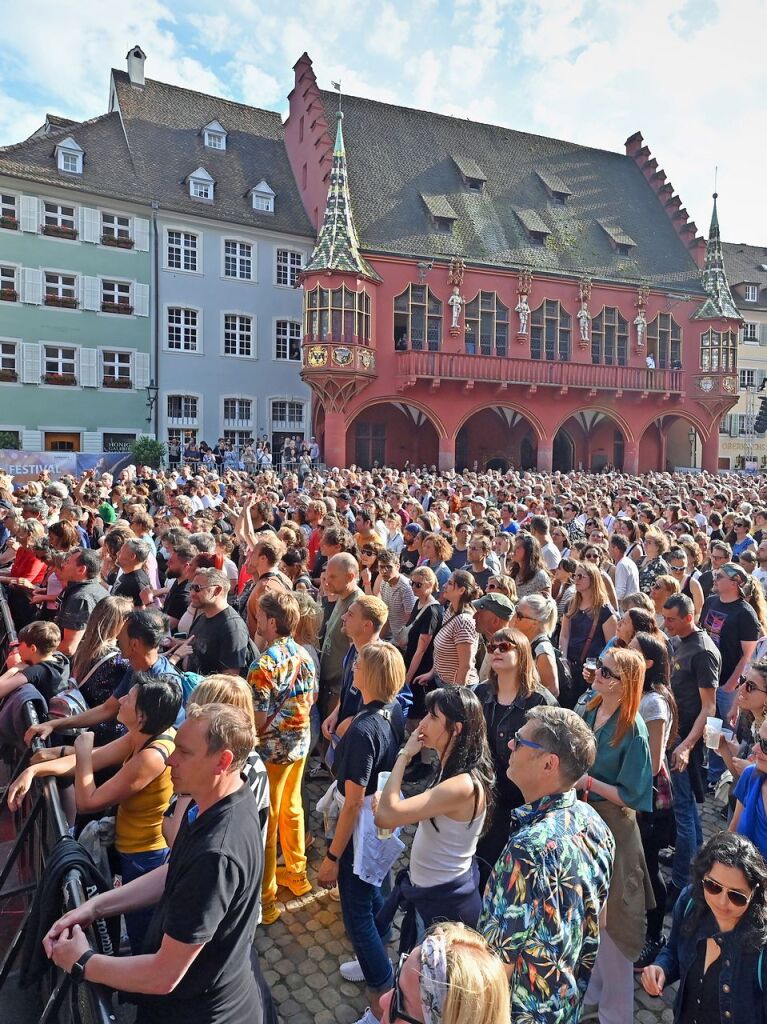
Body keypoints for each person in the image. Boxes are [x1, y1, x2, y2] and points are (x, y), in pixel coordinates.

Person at [43, 703, 275, 1024]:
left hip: (200, 1012)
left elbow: (164, 975)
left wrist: (82, 962)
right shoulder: (222, 799)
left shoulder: (217, 853)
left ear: (221, 762)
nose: (170, 760)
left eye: (184, 752)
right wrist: (94, 907)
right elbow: (174, 871)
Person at [10, 673, 182, 951]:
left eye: (130, 699)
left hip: (144, 857)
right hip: (129, 850)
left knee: (142, 936)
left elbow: (88, 800)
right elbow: (93, 759)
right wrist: (34, 770)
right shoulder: (145, 734)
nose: (122, 699)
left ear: (141, 717)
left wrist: (82, 748)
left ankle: (138, 993)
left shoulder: (153, 755)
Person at [479, 706, 615, 1023]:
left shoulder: (527, 850)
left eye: (519, 741)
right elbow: (600, 921)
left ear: (549, 764)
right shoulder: (595, 824)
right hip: (566, 1007)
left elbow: (496, 964)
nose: (510, 745)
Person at [316, 642, 406, 1024]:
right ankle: (378, 953)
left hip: (361, 830)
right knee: (375, 890)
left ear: (370, 675)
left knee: (356, 913)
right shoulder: (395, 710)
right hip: (382, 820)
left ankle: (382, 995)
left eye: (359, 667)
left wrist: (333, 858)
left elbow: (351, 803)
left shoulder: (362, 730)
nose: (353, 671)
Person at [375, 687, 494, 951]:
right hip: (432, 898)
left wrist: (405, 755)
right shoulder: (451, 769)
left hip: (443, 908)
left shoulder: (463, 784)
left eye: (433, 717)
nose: (423, 723)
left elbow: (386, 815)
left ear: (457, 729)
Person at [576, 647, 654, 1023]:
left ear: (628, 685)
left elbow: (635, 796)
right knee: (591, 915)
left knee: (616, 922)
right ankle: (593, 993)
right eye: (599, 668)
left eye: (608, 673)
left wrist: (588, 781)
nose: (599, 675)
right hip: (586, 821)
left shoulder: (634, 729)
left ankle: (616, 1012)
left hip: (615, 830)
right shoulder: (591, 708)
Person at [641, 831, 767, 1024]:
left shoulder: (761, 947)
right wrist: (662, 968)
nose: (722, 902)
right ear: (702, 878)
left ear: (754, 894)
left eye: (737, 896)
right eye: (714, 887)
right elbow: (674, 949)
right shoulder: (690, 902)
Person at [249, 590, 316, 924]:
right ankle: (298, 874)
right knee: (292, 808)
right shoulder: (304, 654)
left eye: (260, 616)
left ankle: (267, 899)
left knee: (269, 820)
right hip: (300, 742)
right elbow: (312, 697)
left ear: (271, 621)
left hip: (272, 751)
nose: (256, 621)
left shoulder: (263, 665)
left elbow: (258, 720)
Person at [473, 627, 552, 890]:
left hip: (520, 806)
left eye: (504, 647)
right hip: (483, 799)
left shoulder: (541, 703)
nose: (495, 651)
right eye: (493, 646)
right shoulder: (480, 694)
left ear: (522, 653)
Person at [662, 593, 721, 909]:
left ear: (688, 617)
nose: (665, 624)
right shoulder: (679, 642)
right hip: (675, 736)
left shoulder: (702, 651)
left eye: (671, 619)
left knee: (684, 811)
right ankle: (694, 863)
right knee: (683, 810)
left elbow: (709, 707)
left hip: (687, 742)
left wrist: (686, 746)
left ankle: (683, 885)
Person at [630, 631, 678, 969]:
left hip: (647, 797)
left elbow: (655, 759)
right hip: (632, 792)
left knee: (649, 868)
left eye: (632, 651)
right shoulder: (639, 692)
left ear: (648, 662)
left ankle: (655, 936)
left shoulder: (654, 703)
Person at [701, 561, 761, 788]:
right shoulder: (710, 602)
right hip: (706, 676)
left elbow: (748, 656)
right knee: (704, 722)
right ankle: (704, 767)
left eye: (720, 576)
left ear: (735, 583)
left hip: (728, 681)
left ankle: (717, 776)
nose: (715, 579)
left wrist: (731, 684)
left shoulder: (745, 614)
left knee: (721, 728)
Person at [559, 560, 617, 706]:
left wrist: (600, 670)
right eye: (575, 576)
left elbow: (612, 646)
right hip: (570, 668)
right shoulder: (571, 604)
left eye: (581, 576)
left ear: (593, 579)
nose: (576, 580)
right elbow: (564, 635)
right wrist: (564, 659)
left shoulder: (605, 610)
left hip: (590, 672)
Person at [174, 567, 249, 676]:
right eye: (191, 587)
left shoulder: (232, 627)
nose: (192, 593)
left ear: (217, 590)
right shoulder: (202, 617)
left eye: (197, 588)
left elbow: (230, 678)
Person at [414, 570, 481, 688]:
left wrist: (457, 694)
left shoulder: (463, 621)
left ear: (461, 590)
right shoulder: (451, 609)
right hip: (442, 682)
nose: (444, 585)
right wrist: (432, 673)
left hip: (455, 687)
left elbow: (465, 666)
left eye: (450, 583)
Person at [400, 566, 443, 717]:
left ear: (430, 585)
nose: (413, 587)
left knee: (417, 714)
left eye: (418, 585)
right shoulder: (418, 603)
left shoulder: (432, 611)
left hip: (421, 670)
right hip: (410, 661)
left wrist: (408, 678)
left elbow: (422, 649)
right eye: (412, 583)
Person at [55, 548, 110, 655]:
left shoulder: (81, 599)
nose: (62, 565)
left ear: (81, 570)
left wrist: (39, 654)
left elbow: (69, 648)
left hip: (78, 664)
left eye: (67, 562)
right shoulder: (97, 589)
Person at [511, 594, 560, 698]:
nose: (514, 617)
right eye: (516, 611)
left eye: (519, 615)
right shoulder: (526, 641)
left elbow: (553, 691)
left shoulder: (542, 649)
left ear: (535, 622)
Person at [377, 548, 415, 644]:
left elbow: (410, 622)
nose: (384, 571)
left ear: (397, 567)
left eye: (388, 567)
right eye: (381, 567)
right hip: (394, 639)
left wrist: (403, 642)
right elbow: (387, 617)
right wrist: (377, 639)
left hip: (406, 641)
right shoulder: (383, 583)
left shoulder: (406, 588)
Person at [510, 533, 551, 599]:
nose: (514, 550)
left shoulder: (540, 576)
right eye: (515, 547)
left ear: (528, 551)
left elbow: (548, 604)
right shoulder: (515, 572)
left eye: (518, 548)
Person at [609, 532, 640, 603]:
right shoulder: (628, 562)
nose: (608, 549)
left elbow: (620, 593)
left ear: (615, 548)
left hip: (626, 609)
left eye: (610, 547)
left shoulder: (622, 565)